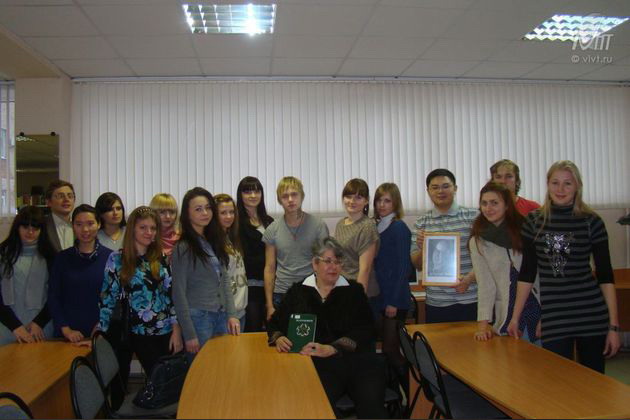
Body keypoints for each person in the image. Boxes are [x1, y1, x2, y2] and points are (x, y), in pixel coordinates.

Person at [508, 161, 621, 373]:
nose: (560, 189)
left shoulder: (592, 222)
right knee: (558, 381)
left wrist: (613, 327)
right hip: (554, 316)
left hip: (590, 314)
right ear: (548, 184)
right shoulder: (534, 221)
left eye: (567, 183)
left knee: (593, 381)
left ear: (577, 186)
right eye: (555, 183)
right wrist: (515, 318)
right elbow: (527, 274)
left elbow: (606, 276)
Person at [268, 237, 386, 419]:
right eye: (328, 261)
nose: (333, 267)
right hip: (319, 366)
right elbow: (275, 322)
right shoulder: (298, 291)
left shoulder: (353, 291)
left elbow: (366, 330)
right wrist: (279, 337)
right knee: (316, 407)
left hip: (358, 363)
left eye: (338, 262)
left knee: (371, 405)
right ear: (315, 264)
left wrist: (333, 348)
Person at [98, 206, 183, 375]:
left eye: (153, 228)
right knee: (157, 378)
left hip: (166, 330)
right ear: (132, 229)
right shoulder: (117, 259)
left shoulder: (161, 257)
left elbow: (170, 296)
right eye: (143, 227)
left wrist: (176, 330)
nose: (149, 232)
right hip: (138, 332)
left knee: (170, 379)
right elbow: (107, 299)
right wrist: (101, 330)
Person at [469, 182, 540, 342]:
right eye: (484, 203)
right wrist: (482, 326)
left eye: (494, 203)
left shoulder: (526, 230)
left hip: (536, 304)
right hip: (508, 312)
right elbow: (485, 285)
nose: (488, 208)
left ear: (507, 205)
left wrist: (547, 314)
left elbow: (541, 273)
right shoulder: (478, 241)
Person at [172, 187, 239, 356]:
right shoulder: (183, 247)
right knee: (202, 368)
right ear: (187, 214)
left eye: (208, 208)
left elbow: (224, 281)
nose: (205, 213)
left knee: (223, 364)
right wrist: (189, 334)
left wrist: (232, 314)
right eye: (198, 209)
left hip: (221, 315)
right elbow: (178, 292)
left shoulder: (213, 240)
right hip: (199, 318)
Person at [410, 169, 478, 323]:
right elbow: (417, 264)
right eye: (435, 187)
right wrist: (424, 248)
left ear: (455, 188)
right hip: (436, 302)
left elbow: (486, 258)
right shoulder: (421, 223)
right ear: (428, 191)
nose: (440, 191)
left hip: (471, 298)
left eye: (446, 186)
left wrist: (469, 279)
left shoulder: (473, 217)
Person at [263, 176, 329, 320]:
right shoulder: (272, 229)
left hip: (311, 292)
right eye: (285, 196)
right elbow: (269, 268)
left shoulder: (318, 226)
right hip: (282, 294)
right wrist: (269, 305)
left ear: (302, 196)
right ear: (279, 200)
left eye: (294, 194)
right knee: (282, 334)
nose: (290, 199)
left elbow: (325, 263)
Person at [48, 204, 113, 342]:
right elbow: (53, 296)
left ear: (99, 224)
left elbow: (115, 298)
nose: (85, 229)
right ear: (72, 226)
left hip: (101, 333)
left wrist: (101, 326)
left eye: (90, 223)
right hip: (66, 335)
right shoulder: (62, 258)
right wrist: (65, 329)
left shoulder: (111, 258)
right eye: (79, 224)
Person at [372, 183, 413, 398]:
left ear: (395, 202)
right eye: (379, 200)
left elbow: (404, 268)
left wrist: (394, 302)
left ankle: (414, 395)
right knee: (385, 353)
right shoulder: (377, 227)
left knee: (390, 349)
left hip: (395, 301)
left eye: (387, 200)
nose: (382, 205)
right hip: (380, 298)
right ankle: (396, 399)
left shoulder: (399, 228)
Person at [0, 206, 56, 345]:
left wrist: (39, 323)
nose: (30, 232)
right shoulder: (3, 254)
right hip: (6, 327)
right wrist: (15, 326)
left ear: (42, 230)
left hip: (40, 329)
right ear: (17, 228)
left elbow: (56, 295)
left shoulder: (51, 257)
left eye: (35, 228)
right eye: (25, 227)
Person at [236, 176, 274, 332]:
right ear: (240, 195)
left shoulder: (269, 221)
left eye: (257, 191)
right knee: (253, 331)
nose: (253, 195)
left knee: (273, 331)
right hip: (249, 287)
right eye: (247, 192)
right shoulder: (236, 222)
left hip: (271, 285)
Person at [334, 179, 379, 298]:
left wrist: (358, 299)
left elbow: (365, 269)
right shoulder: (340, 224)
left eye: (358, 197)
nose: (352, 201)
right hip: (342, 289)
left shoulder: (367, 227)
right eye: (348, 196)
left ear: (366, 201)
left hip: (361, 293)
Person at [215, 194, 248, 329]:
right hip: (226, 314)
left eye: (231, 212)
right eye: (223, 213)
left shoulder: (230, 238)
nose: (229, 216)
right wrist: (230, 313)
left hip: (240, 310)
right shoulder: (213, 243)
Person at [44, 179, 76, 253]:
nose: (66, 199)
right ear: (48, 202)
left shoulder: (79, 225)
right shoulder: (42, 225)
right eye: (60, 196)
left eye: (70, 196)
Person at [149, 193, 180, 259]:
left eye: (172, 212)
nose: (168, 216)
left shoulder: (182, 238)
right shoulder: (147, 237)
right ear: (153, 213)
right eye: (162, 212)